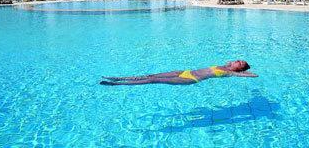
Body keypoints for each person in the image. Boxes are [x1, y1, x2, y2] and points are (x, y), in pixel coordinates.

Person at [100, 60, 257, 86]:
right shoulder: (224, 66)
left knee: (153, 81)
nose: (237, 61)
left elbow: (252, 75)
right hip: (185, 71)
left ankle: (117, 85)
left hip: (191, 79)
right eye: (239, 60)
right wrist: (232, 64)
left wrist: (244, 72)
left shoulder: (231, 73)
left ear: (239, 69)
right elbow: (231, 62)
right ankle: (120, 78)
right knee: (151, 76)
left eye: (240, 63)